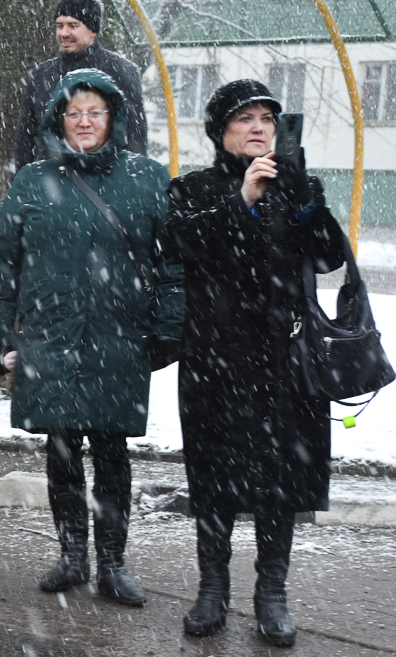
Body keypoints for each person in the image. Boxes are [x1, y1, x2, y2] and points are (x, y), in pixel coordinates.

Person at [0, 69, 184, 606]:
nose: (85, 121)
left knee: (112, 455)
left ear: (112, 117)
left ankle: (113, 565)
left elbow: (174, 265)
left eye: (95, 111)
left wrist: (168, 330)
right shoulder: (32, 180)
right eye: (75, 113)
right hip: (50, 339)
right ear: (59, 121)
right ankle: (72, 557)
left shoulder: (146, 178)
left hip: (118, 340)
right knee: (63, 451)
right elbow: (1, 264)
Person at [162, 80, 346, 648]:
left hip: (285, 363)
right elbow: (183, 245)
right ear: (220, 131)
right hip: (214, 361)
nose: (260, 127)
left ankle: (272, 594)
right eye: (245, 118)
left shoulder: (297, 185)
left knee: (279, 482)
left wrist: (303, 196)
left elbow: (329, 256)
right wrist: (240, 198)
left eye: (268, 117)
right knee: (213, 478)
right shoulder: (192, 189)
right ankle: (212, 589)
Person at [13, 0, 147, 173]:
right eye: (59, 25)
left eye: (73, 25)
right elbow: (25, 141)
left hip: (104, 185)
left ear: (93, 31)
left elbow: (135, 138)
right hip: (49, 187)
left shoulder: (121, 72)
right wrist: (21, 186)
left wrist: (131, 184)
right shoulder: (40, 75)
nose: (64, 33)